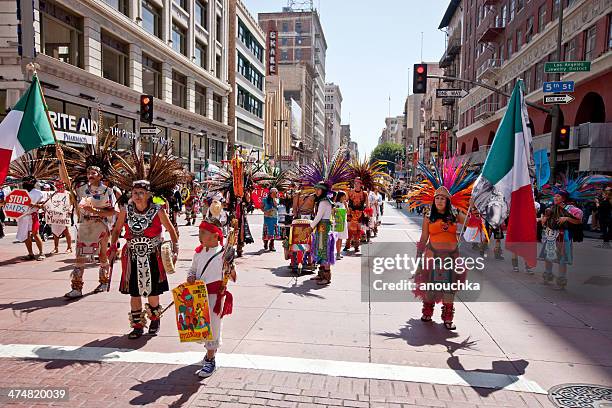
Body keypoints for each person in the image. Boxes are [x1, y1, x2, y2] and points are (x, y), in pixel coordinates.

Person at [109, 180, 179, 338]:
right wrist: (113, 247)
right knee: (134, 292)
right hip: (132, 255)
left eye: (141, 193)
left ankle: (154, 319)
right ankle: (137, 326)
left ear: (149, 195)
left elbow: (171, 229)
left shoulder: (158, 210)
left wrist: (175, 250)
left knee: (152, 290)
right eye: (135, 193)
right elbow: (116, 230)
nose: (138, 196)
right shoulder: (126, 210)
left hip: (153, 255)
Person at [414, 187, 467, 330]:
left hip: (451, 258)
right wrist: (418, 257)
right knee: (431, 287)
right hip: (432, 256)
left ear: (447, 201)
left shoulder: (455, 214)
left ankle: (448, 317)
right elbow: (424, 237)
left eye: (442, 198)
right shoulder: (428, 214)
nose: (439, 201)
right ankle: (427, 311)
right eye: (437, 198)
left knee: (449, 289)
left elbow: (470, 223)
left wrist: (470, 211)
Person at [188, 217, 233, 378]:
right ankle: (209, 354)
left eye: (203, 232)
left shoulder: (223, 253)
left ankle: (210, 358)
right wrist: (191, 277)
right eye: (199, 232)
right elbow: (192, 270)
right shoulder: (198, 253)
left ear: (215, 235)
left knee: (213, 327)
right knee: (201, 326)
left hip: (215, 297)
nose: (200, 235)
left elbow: (233, 277)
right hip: (199, 296)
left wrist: (230, 266)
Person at [65, 166, 118, 298]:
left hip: (100, 225)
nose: (90, 175)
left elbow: (113, 211)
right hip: (85, 226)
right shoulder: (82, 189)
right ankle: (76, 288)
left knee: (102, 255)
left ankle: (104, 282)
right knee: (80, 257)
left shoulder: (108, 191)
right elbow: (66, 180)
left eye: (93, 173)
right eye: (88, 173)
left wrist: (94, 210)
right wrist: (61, 161)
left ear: (100, 176)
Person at [538, 192, 583, 290]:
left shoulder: (571, 209)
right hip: (551, 235)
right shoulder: (551, 208)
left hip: (563, 236)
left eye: (558, 196)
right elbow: (544, 222)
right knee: (548, 256)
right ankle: (547, 276)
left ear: (563, 198)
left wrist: (567, 218)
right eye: (555, 195)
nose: (555, 197)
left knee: (562, 258)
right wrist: (544, 220)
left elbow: (579, 220)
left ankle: (561, 282)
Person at [310, 183, 336, 285]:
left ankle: (326, 277)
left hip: (323, 230)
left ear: (323, 191)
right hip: (321, 229)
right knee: (320, 250)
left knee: (324, 252)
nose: (316, 191)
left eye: (319, 190)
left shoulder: (324, 202)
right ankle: (320, 273)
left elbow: (319, 216)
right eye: (316, 189)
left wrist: (310, 227)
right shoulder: (323, 201)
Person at [16, 176, 45, 261]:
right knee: (26, 235)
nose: (25, 184)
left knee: (35, 234)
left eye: (26, 182)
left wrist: (34, 205)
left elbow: (42, 205)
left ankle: (41, 253)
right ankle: (30, 253)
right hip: (23, 217)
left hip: (32, 216)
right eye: (24, 182)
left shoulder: (38, 193)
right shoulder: (20, 192)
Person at [346, 178, 369, 254]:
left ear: (361, 184)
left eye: (358, 183)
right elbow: (345, 201)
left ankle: (357, 246)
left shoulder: (364, 193)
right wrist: (347, 209)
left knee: (358, 230)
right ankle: (347, 245)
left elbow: (367, 204)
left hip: (360, 214)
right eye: (355, 183)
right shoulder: (350, 192)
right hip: (351, 213)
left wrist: (367, 213)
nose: (356, 184)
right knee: (350, 230)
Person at [333, 191, 348, 260]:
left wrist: (346, 205)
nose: (345, 197)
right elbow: (334, 213)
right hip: (338, 223)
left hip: (343, 222)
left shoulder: (343, 203)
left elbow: (347, 212)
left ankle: (338, 252)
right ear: (341, 196)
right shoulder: (336, 204)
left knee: (341, 238)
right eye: (344, 196)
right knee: (338, 238)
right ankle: (338, 254)